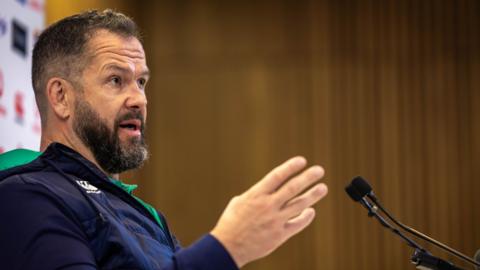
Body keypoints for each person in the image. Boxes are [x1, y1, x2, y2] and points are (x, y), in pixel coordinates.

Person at [0, 10, 328, 270]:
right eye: (116, 80)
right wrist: (226, 248)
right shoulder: (25, 195)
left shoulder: (146, 216)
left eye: (141, 81)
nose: (139, 99)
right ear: (60, 96)